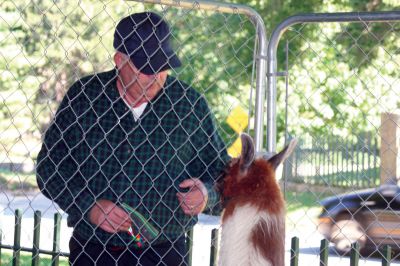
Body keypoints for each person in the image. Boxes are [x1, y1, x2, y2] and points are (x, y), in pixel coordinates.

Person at [36, 12, 229, 265]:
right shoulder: (84, 97)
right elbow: (49, 168)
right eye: (146, 68)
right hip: (93, 250)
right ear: (120, 60)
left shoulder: (190, 106)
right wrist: (89, 207)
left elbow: (222, 174)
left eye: (162, 67)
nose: (156, 76)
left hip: (164, 252)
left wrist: (206, 195)